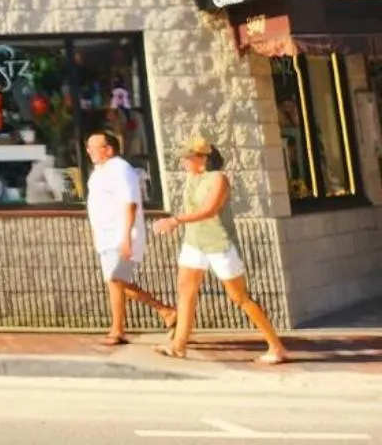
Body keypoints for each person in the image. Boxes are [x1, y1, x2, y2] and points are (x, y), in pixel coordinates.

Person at [152, 136, 289, 365]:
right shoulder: (192, 178)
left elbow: (209, 210)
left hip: (218, 244)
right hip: (194, 241)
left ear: (203, 158)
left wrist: (175, 221)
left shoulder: (219, 179)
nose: (183, 162)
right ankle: (178, 345)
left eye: (188, 157)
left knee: (239, 297)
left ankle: (276, 346)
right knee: (185, 291)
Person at [85, 130, 175, 345]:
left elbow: (130, 202)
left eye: (94, 147)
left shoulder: (120, 169)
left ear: (108, 149)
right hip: (106, 236)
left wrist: (126, 236)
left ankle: (121, 329)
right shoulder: (98, 173)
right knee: (116, 282)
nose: (89, 151)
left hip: (121, 234)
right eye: (88, 147)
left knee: (116, 280)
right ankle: (163, 312)